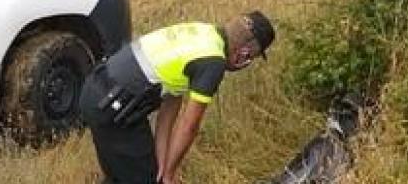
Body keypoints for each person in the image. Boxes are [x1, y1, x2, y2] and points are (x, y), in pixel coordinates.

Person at [78, 12, 277, 184]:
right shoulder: (213, 62)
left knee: (124, 177)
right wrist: (170, 175)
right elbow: (189, 126)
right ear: (243, 54)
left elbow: (170, 108)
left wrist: (164, 166)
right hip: (113, 109)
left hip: (97, 93)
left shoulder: (202, 33)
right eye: (252, 58)